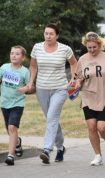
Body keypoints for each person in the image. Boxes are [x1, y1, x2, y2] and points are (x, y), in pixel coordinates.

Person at [28, 23, 78, 164]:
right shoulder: (37, 47)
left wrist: (73, 78)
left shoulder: (64, 49)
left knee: (51, 118)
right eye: (46, 33)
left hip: (60, 89)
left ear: (57, 35)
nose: (48, 36)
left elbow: (74, 63)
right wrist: (31, 82)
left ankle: (47, 150)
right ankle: (61, 147)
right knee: (52, 120)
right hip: (42, 89)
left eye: (51, 34)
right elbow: (33, 66)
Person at [75, 32, 105, 166]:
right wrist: (75, 85)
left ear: (99, 45)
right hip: (88, 97)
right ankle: (97, 155)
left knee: (102, 127)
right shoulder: (82, 59)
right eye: (89, 48)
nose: (92, 50)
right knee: (92, 127)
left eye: (94, 47)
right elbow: (79, 78)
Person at [0, 46, 34, 165]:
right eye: (12, 53)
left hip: (18, 103)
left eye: (17, 54)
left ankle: (10, 156)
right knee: (9, 130)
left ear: (23, 58)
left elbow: (31, 86)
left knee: (12, 127)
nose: (14, 55)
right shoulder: (4, 67)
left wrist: (26, 88)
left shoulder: (25, 71)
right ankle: (17, 142)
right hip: (5, 103)